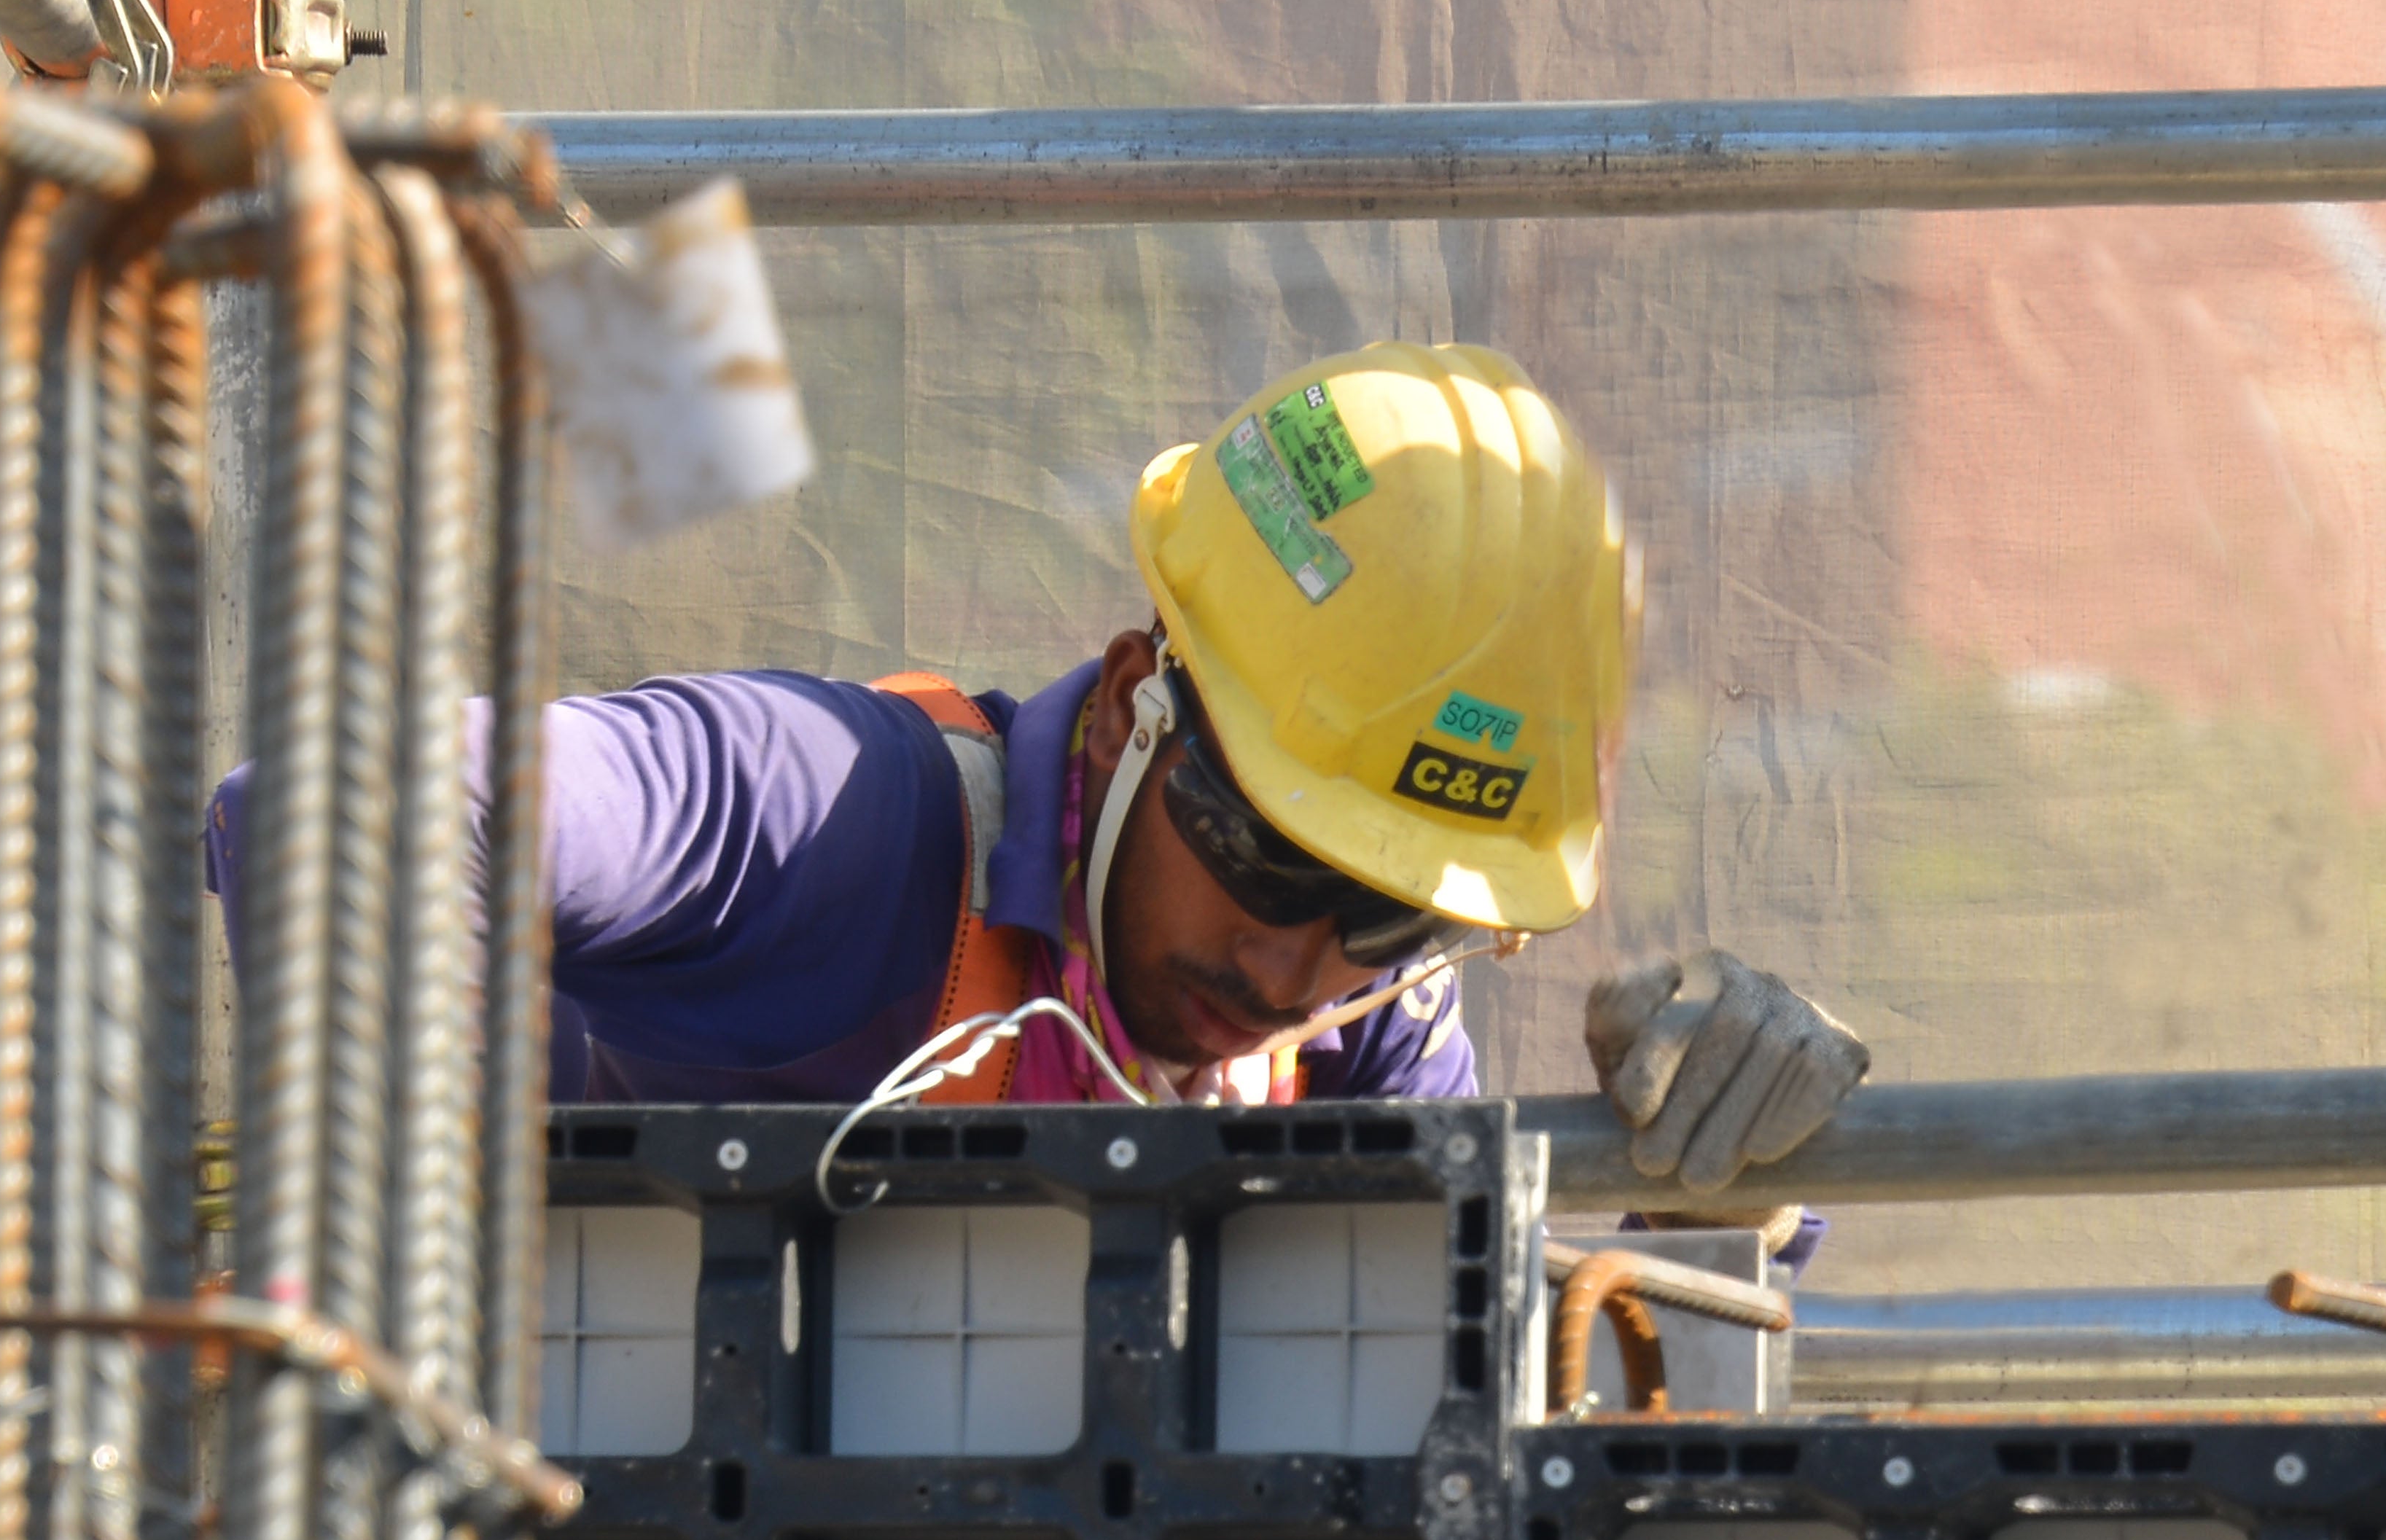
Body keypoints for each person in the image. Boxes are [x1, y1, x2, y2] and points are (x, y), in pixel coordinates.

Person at [209, 341, 1865, 1197]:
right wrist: (436, 1267)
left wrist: (1707, 1185)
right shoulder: (840, 823)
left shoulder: (1354, 1045)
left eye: (1394, 918)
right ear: (1139, 699)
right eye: (1270, 853)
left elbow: (1511, 1447)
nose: (1296, 968)